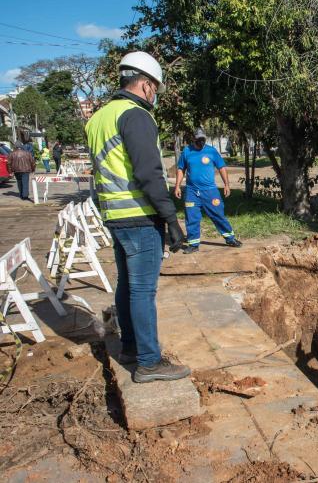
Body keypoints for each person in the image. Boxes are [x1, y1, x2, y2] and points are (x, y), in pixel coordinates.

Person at [85, 50, 189, 383]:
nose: (154, 95)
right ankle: (148, 362)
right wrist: (171, 220)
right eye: (155, 88)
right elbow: (149, 173)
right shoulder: (135, 115)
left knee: (127, 285)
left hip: (114, 215)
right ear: (144, 84)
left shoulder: (99, 118)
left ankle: (129, 346)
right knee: (143, 291)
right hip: (139, 217)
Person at [175, 128, 242, 254]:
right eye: (198, 139)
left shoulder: (211, 151)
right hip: (192, 192)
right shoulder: (187, 151)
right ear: (193, 139)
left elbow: (221, 168)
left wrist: (227, 185)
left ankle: (230, 238)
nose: (201, 142)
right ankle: (193, 244)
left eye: (203, 139)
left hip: (210, 192)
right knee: (192, 217)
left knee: (218, 215)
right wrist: (177, 186)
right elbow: (180, 169)